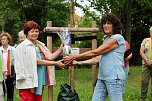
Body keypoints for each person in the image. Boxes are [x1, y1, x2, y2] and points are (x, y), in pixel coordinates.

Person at [63, 14, 126, 101]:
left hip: (114, 78)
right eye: (104, 23)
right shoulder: (106, 40)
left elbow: (96, 52)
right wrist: (78, 63)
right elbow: (97, 58)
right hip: (102, 78)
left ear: (114, 25)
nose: (105, 26)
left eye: (109, 23)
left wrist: (74, 57)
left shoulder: (117, 38)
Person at [14, 21, 65, 101]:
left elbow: (50, 57)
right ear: (26, 32)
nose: (35, 33)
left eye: (36, 31)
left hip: (39, 79)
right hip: (27, 81)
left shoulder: (40, 44)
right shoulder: (24, 46)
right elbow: (37, 61)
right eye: (32, 31)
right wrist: (56, 63)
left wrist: (61, 47)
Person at [0, 32, 15, 101]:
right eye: (2, 39)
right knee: (2, 90)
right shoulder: (0, 50)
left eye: (4, 39)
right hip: (1, 73)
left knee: (10, 90)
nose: (3, 40)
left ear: (8, 40)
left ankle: (10, 99)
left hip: (10, 72)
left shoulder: (13, 50)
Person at [140, 26, 152, 101]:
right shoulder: (146, 40)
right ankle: (142, 98)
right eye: (151, 31)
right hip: (146, 65)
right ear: (150, 32)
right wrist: (147, 61)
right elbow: (141, 52)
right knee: (144, 82)